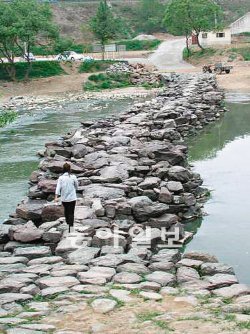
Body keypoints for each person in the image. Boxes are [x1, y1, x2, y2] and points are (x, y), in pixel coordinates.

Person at [55, 162, 78, 233]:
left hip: (64, 198)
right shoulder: (73, 177)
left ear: (63, 169)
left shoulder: (61, 178)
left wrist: (56, 197)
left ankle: (68, 222)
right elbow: (77, 186)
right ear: (69, 169)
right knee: (71, 212)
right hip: (72, 198)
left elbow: (58, 188)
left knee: (66, 211)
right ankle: (71, 228)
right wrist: (75, 189)